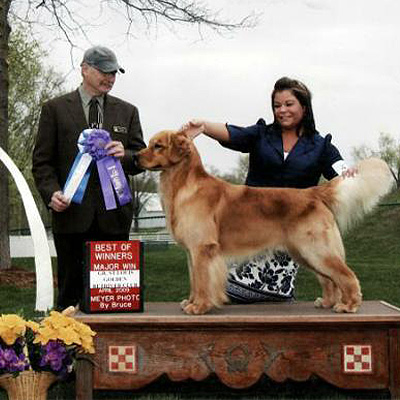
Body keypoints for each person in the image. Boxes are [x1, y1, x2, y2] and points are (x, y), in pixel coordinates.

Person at [181, 76, 355, 304]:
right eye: (277, 105)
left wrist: (350, 174)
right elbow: (233, 133)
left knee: (289, 287)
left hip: (294, 226)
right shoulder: (261, 134)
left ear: (304, 106)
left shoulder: (321, 145)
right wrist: (203, 126)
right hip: (249, 229)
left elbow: (340, 172)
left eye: (289, 104)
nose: (282, 110)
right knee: (236, 296)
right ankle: (208, 297)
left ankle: (348, 294)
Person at [32, 45, 146, 310]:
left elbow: (141, 157)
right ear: (84, 69)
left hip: (115, 217)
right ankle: (66, 351)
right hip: (71, 214)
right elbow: (42, 163)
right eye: (104, 72)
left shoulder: (128, 111)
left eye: (114, 73)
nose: (110, 78)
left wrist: (126, 156)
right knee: (69, 300)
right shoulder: (55, 109)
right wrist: (52, 193)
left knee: (113, 299)